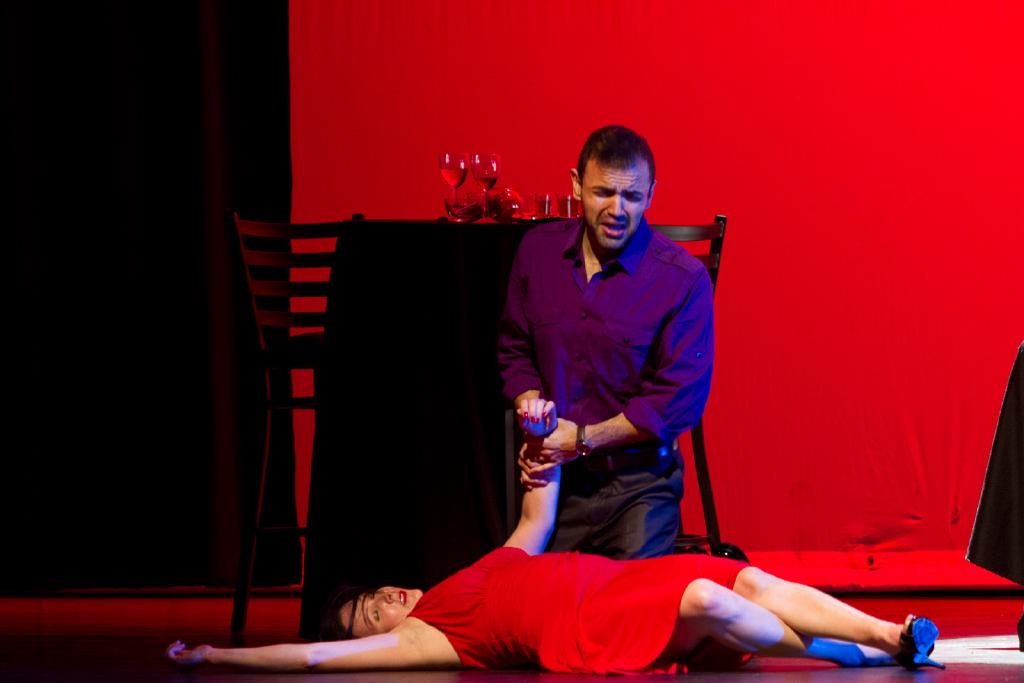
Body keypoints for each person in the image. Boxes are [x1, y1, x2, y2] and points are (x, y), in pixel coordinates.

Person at [167, 401, 944, 674]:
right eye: (373, 611)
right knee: (710, 598)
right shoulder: (430, 635)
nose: (389, 599)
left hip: (615, 580)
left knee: (740, 578)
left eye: (379, 592)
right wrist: (219, 656)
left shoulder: (473, 571)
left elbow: (535, 517)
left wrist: (539, 443)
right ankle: (842, 654)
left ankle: (887, 633)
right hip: (591, 628)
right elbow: (313, 658)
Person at [498, 124, 713, 558]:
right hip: (556, 482)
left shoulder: (683, 279)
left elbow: (677, 402)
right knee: (533, 595)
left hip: (639, 485)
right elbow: (515, 350)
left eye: (632, 196)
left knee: (628, 596)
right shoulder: (538, 253)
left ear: (651, 194)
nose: (617, 209)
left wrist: (581, 439)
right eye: (603, 193)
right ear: (577, 185)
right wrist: (536, 420)